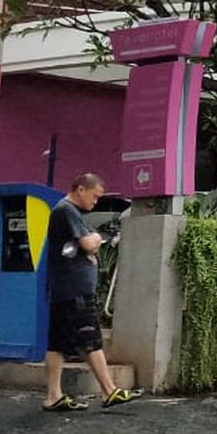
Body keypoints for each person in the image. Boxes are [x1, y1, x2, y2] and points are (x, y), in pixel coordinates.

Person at [42, 173, 139, 411]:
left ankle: (53, 395)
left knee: (58, 344)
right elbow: (88, 244)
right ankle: (109, 390)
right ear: (81, 189)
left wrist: (90, 247)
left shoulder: (68, 212)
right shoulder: (67, 211)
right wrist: (95, 238)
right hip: (74, 290)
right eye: (94, 197)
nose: (95, 202)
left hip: (63, 289)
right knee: (90, 339)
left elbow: (84, 249)